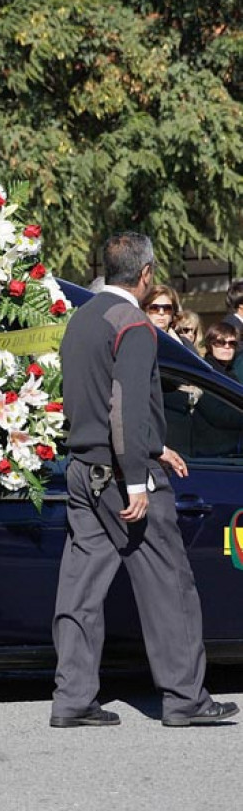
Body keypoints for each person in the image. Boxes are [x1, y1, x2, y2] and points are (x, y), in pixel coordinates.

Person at [50, 232, 238, 728]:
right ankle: (186, 700)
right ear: (147, 273)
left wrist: (154, 445)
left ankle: (72, 698)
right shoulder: (132, 324)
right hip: (122, 476)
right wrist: (137, 476)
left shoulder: (82, 318)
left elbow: (86, 401)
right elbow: (124, 406)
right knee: (170, 586)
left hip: (81, 470)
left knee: (80, 590)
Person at [142, 283, 196, 352]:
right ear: (145, 311)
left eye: (167, 308)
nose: (161, 312)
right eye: (154, 308)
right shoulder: (138, 340)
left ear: (173, 313)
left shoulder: (185, 345)